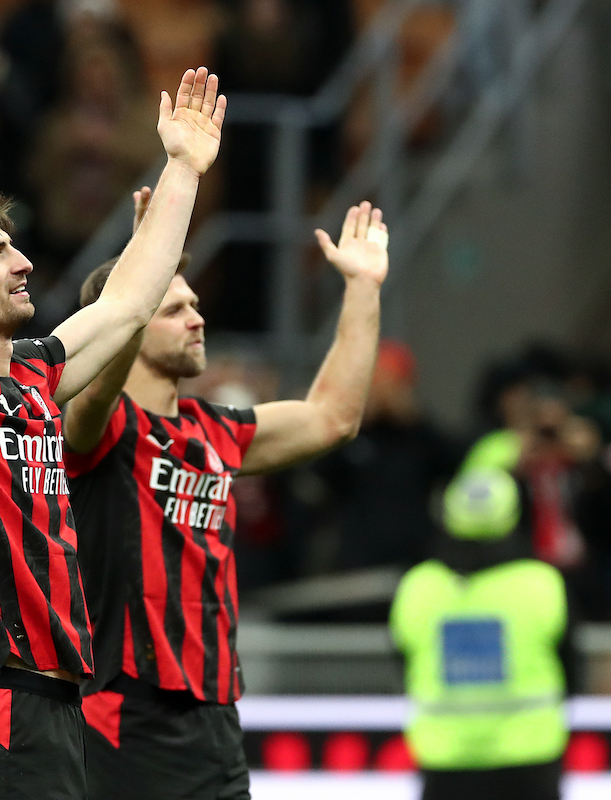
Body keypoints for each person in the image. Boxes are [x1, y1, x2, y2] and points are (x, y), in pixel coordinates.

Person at [0, 56, 226, 799]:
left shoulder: (36, 374)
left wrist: (184, 169)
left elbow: (129, 301)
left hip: (62, 715)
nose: (25, 264)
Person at [64, 195, 390, 799]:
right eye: (174, 308)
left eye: (195, 304)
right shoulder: (96, 431)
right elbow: (93, 395)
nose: (197, 318)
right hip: (126, 712)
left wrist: (363, 287)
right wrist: (142, 273)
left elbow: (332, 417)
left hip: (214, 714)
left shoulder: (213, 431)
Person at [390, 468, 577, 800]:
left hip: (446, 760)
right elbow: (571, 673)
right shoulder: (543, 584)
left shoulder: (418, 587)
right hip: (530, 759)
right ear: (514, 513)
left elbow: (402, 667)